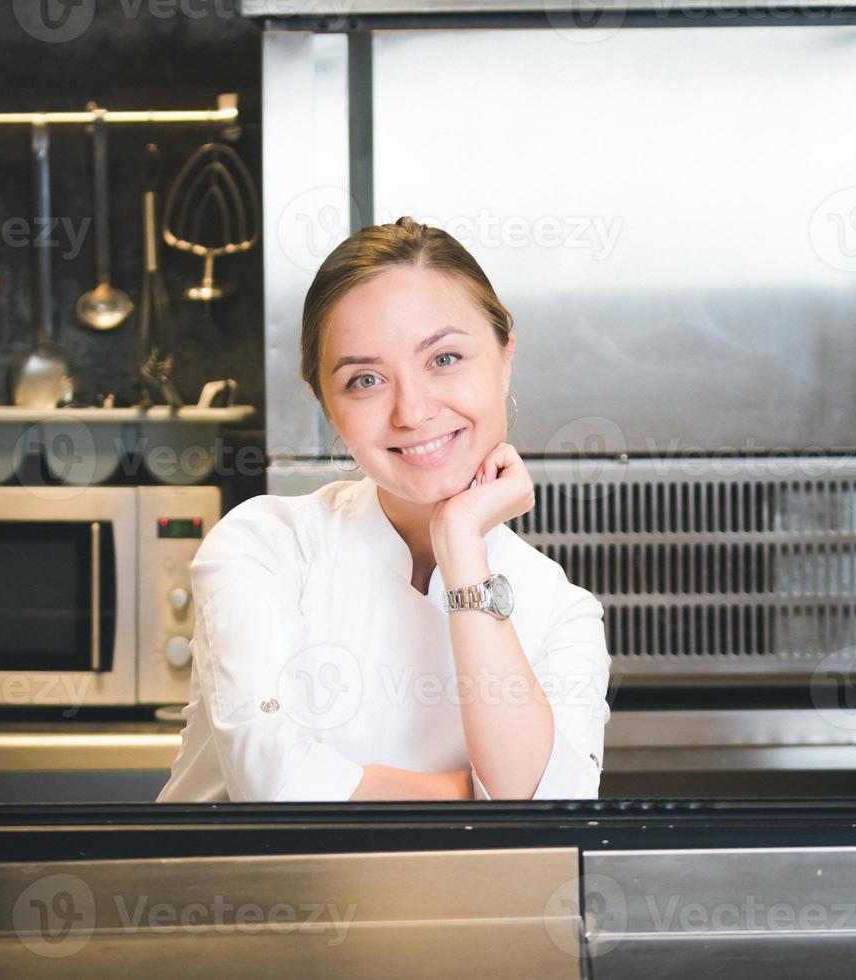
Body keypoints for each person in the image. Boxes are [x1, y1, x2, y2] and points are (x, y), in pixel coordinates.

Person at [156, 216, 611, 802]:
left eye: (444, 359)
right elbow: (275, 785)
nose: (412, 411)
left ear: (505, 358)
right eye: (365, 379)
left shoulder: (561, 610)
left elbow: (551, 815)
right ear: (327, 404)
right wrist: (474, 796)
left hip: (464, 899)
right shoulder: (264, 545)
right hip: (240, 897)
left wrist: (461, 542)